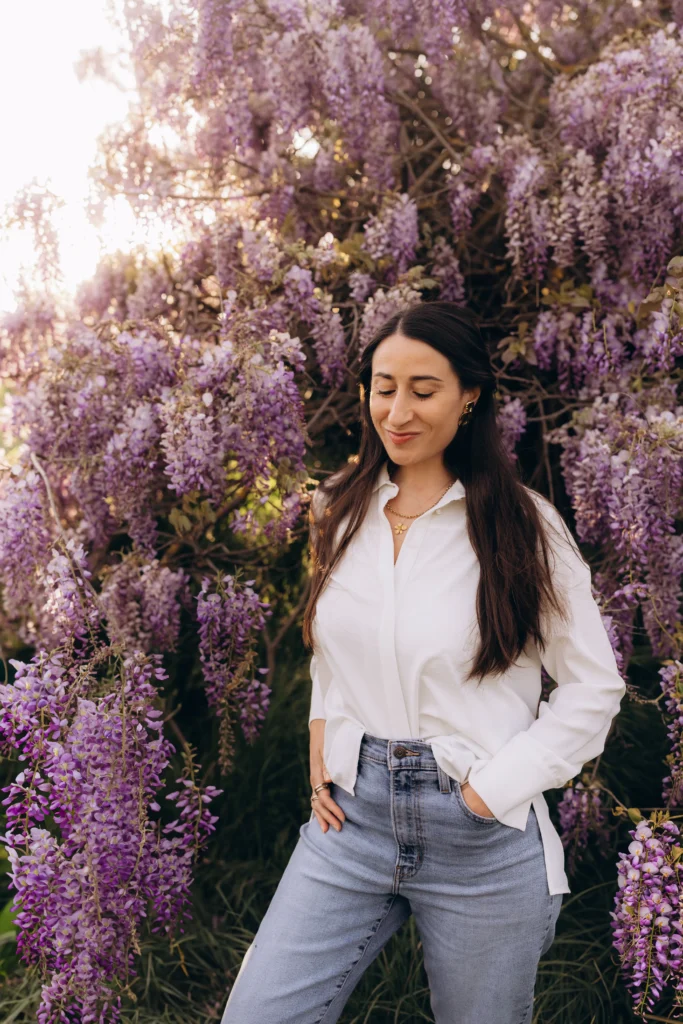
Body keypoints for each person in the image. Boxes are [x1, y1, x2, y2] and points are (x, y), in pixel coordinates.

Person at [220, 301, 626, 1024]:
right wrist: (324, 733)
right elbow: (339, 645)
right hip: (350, 822)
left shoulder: (522, 525)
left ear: (469, 395)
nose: (397, 410)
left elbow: (593, 687)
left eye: (422, 389)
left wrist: (488, 790)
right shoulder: (340, 511)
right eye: (383, 386)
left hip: (480, 833)